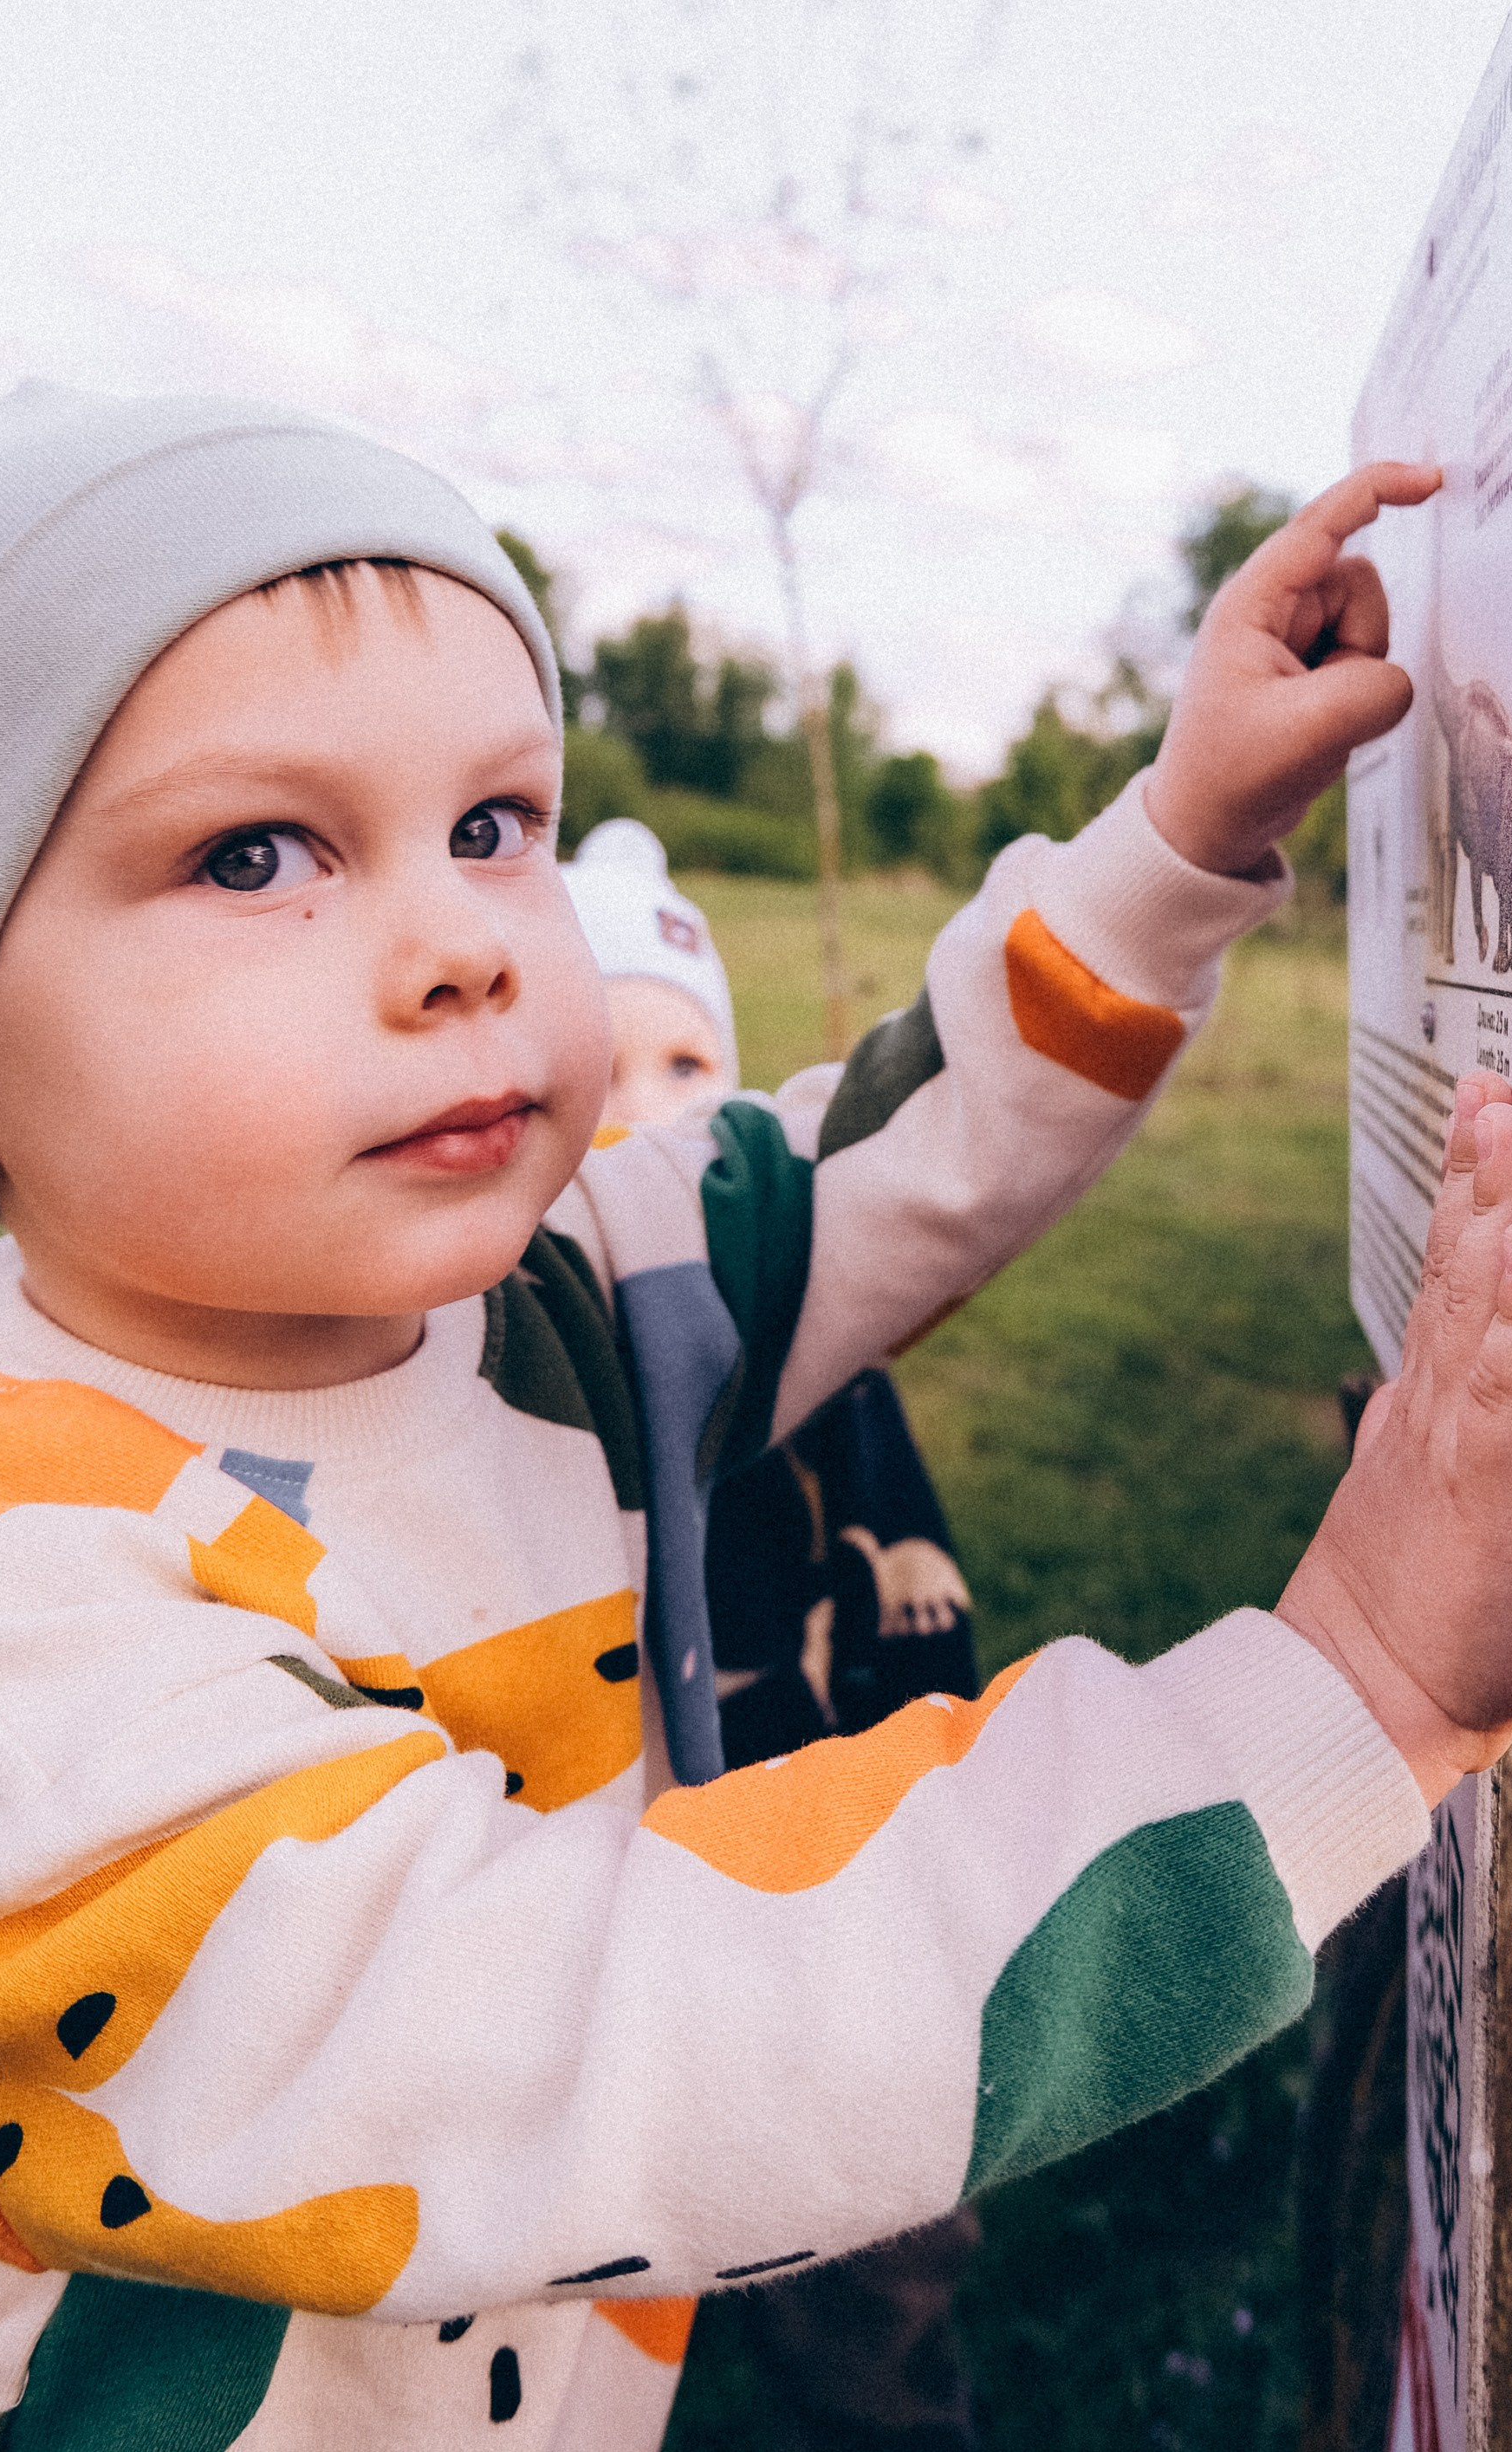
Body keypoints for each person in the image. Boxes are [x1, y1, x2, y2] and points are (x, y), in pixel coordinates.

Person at [0, 386, 1512, 2452]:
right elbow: (629, 2030)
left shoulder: (523, 1310)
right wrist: (1336, 1691)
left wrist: (1178, 838)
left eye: (494, 824)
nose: (460, 942)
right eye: (255, 853)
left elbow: (883, 1156)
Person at [566, 814, 982, 2452]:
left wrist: (919, 1770)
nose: (640, 1114)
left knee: (861, 2198)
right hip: (598, 1903)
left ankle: (882, 2395)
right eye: (594, 1073)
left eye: (682, 1066)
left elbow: (902, 1573)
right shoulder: (498, 1373)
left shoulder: (809, 1354)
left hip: (817, 1867)